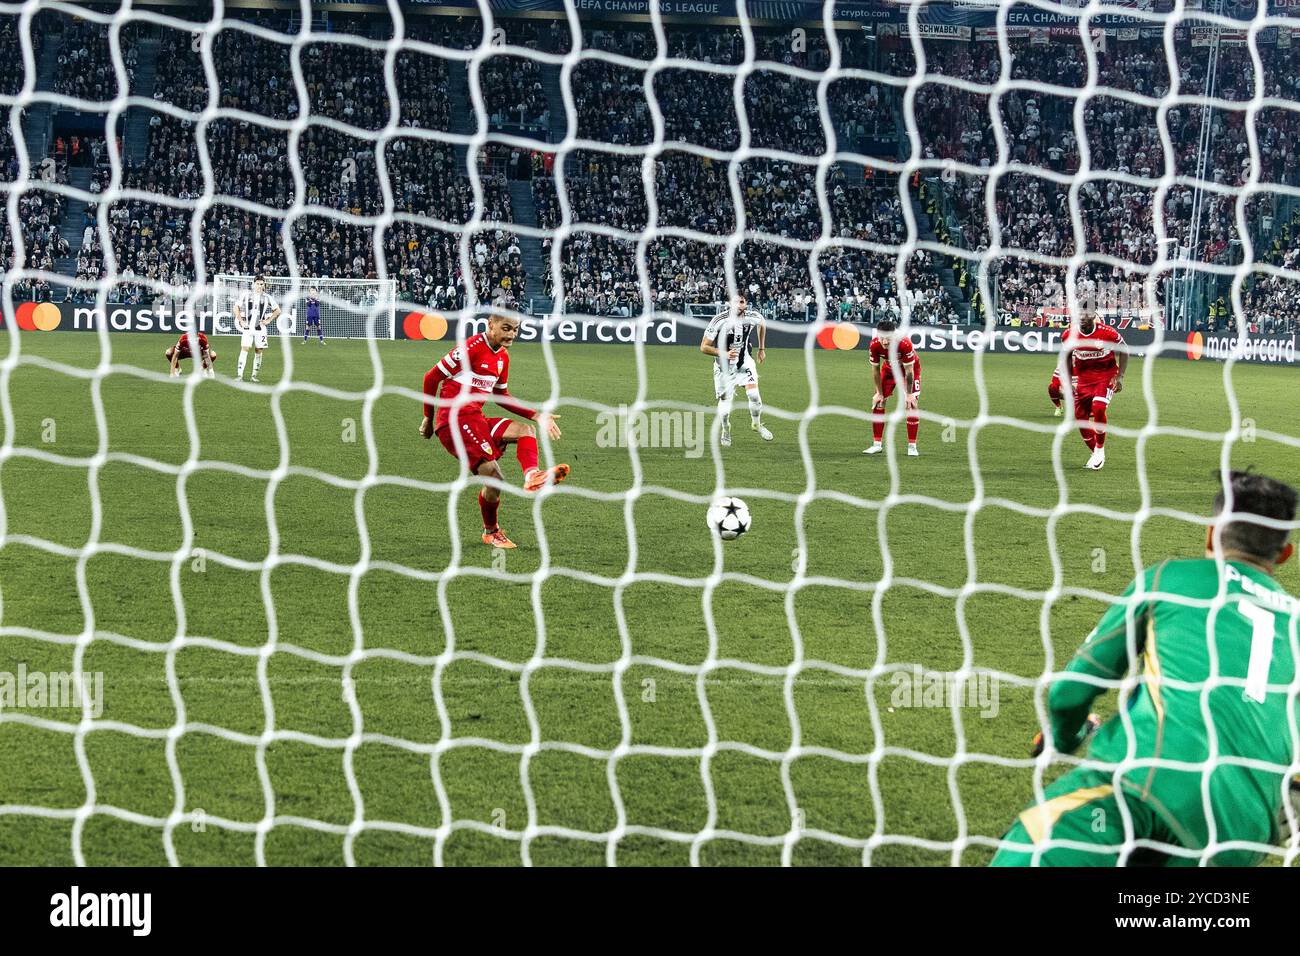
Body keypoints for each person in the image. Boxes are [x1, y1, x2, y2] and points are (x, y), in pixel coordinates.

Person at [992, 470, 1299, 866]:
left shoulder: (1168, 579)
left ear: (1210, 534)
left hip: (1144, 788)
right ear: (1285, 554)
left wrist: (1063, 738)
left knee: (1031, 846)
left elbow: (1070, 692)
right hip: (1239, 834)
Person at [419, 312, 568, 549]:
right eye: (506, 328)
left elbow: (500, 395)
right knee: (495, 478)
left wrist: (538, 415)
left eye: (515, 329)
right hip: (454, 421)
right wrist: (428, 418)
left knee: (525, 431)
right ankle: (492, 532)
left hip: (476, 418)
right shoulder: (470, 348)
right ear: (491, 325)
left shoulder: (503, 357)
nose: (511, 334)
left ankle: (532, 477)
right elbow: (431, 378)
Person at [700, 292, 772, 448]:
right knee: (725, 411)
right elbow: (703, 347)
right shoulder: (719, 320)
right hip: (723, 367)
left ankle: (756, 424)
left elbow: (762, 323)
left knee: (754, 395)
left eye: (742, 302)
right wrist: (724, 353)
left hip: (744, 362)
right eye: (736, 302)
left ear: (745, 304)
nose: (739, 305)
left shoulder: (752, 316)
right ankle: (726, 430)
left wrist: (761, 348)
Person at [864, 318, 921, 457]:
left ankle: (912, 447)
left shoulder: (904, 343)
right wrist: (879, 392)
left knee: (911, 405)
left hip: (908, 371)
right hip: (889, 370)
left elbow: (909, 372)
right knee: (878, 402)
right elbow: (875, 370)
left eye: (888, 338)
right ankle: (877, 445)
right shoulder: (875, 345)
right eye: (882, 338)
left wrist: (908, 394)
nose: (884, 342)